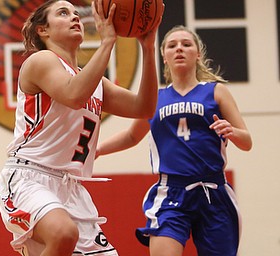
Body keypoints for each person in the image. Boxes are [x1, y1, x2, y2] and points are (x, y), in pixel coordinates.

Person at [0, 0, 162, 255]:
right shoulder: (41, 61)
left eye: (76, 13)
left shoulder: (94, 81)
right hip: (29, 180)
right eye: (63, 13)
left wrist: (148, 48)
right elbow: (73, 95)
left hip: (71, 187)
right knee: (64, 232)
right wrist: (108, 41)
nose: (75, 17)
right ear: (43, 30)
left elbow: (144, 108)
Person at [96, 25, 252, 256]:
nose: (179, 49)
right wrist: (97, 149)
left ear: (198, 53)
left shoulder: (216, 92)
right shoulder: (155, 98)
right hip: (171, 191)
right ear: (164, 56)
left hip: (213, 189)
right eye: (172, 45)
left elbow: (246, 141)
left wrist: (232, 131)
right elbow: (131, 136)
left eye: (186, 44)